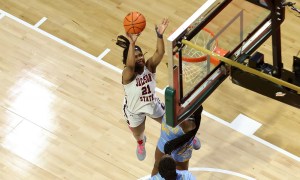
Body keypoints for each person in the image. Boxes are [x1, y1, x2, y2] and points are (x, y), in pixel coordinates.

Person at [116, 18, 169, 161]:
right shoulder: (127, 75)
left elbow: (160, 52)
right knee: (138, 135)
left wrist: (159, 35)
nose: (139, 58)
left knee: (171, 122)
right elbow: (130, 66)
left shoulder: (149, 67)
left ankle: (186, 135)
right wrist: (132, 43)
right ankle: (141, 143)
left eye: (140, 55)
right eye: (136, 56)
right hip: (133, 111)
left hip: (152, 105)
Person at [151, 105, 203, 179]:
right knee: (182, 170)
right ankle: (191, 138)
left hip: (166, 140)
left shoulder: (173, 104)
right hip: (182, 146)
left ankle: (191, 137)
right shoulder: (189, 125)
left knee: (157, 166)